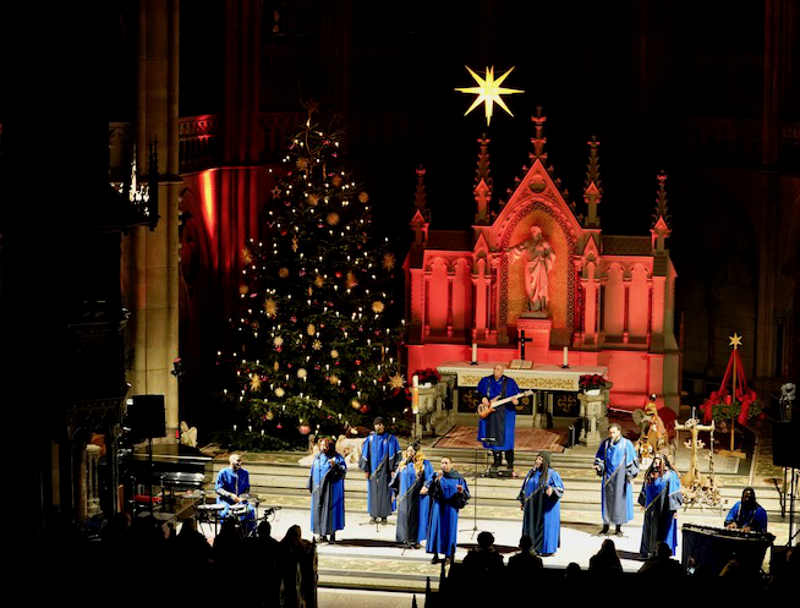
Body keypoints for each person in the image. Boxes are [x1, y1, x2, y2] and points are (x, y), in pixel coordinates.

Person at [594, 423, 639, 536]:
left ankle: (618, 528)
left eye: (614, 432)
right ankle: (606, 526)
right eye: (610, 433)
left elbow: (633, 460)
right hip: (608, 477)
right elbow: (599, 457)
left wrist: (630, 475)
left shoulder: (626, 444)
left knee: (620, 501)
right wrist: (599, 466)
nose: (611, 435)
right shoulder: (605, 443)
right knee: (607, 501)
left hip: (621, 477)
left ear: (619, 432)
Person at [517, 451, 564, 556]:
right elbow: (525, 487)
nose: (537, 461)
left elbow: (560, 489)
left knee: (543, 528)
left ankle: (545, 549)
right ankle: (531, 547)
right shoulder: (531, 472)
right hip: (532, 507)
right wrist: (523, 501)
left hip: (544, 507)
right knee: (531, 527)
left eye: (541, 459)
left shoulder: (552, 474)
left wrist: (552, 489)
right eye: (537, 458)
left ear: (546, 462)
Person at [425, 456, 470, 564]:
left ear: (451, 465)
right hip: (438, 506)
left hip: (451, 508)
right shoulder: (436, 475)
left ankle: (449, 555)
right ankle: (435, 554)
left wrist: (461, 491)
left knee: (449, 531)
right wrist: (437, 480)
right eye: (442, 463)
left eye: (446, 463)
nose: (443, 465)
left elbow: (466, 494)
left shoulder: (458, 478)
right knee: (436, 529)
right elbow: (430, 490)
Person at [389, 442, 434, 548]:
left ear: (417, 452)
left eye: (411, 451)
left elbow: (430, 477)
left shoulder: (424, 463)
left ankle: (414, 540)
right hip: (404, 496)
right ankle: (403, 538)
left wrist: (426, 486)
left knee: (416, 517)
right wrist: (394, 493)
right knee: (404, 516)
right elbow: (396, 479)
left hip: (417, 496)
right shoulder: (403, 463)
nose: (409, 453)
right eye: (408, 451)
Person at [476, 364, 520, 470]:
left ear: (503, 371)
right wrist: (483, 398)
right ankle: (497, 461)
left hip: (506, 413)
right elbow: (478, 393)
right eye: (494, 368)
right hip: (491, 412)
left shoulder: (510, 382)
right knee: (493, 436)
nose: (496, 371)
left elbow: (517, 398)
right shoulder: (486, 380)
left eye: (498, 369)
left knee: (507, 438)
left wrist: (516, 401)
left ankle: (510, 462)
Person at [638, 453, 682, 557]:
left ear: (664, 462)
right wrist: (644, 502)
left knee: (663, 531)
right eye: (655, 460)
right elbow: (645, 489)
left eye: (658, 461)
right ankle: (648, 551)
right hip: (651, 509)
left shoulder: (670, 475)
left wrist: (674, 509)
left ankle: (662, 553)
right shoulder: (650, 474)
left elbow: (674, 491)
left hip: (665, 509)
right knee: (649, 530)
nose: (656, 463)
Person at [359, 416, 401, 524]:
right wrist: (366, 470)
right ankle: (373, 515)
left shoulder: (391, 439)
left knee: (385, 492)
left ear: (384, 426)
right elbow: (365, 454)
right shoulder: (370, 439)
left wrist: (394, 469)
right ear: (374, 426)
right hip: (373, 471)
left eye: (381, 424)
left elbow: (397, 455)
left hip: (386, 471)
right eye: (377, 424)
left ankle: (384, 516)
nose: (379, 426)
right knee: (373, 492)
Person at [308, 436, 347, 544]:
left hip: (331, 491)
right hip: (318, 490)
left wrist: (335, 466)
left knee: (331, 512)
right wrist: (311, 484)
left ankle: (332, 535)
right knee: (319, 511)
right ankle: (321, 534)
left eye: (325, 445)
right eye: (321, 445)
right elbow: (312, 471)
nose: (323, 447)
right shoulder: (318, 457)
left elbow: (343, 472)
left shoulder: (338, 458)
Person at [215, 453, 256, 532]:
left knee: (250, 511)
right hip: (226, 501)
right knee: (226, 513)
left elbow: (247, 487)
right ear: (231, 461)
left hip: (240, 500)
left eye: (241, 461)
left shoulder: (245, 473)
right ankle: (225, 532)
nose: (240, 463)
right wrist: (230, 495)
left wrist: (243, 497)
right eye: (238, 461)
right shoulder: (223, 472)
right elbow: (218, 489)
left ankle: (246, 534)